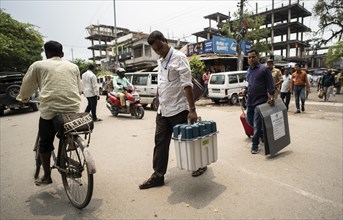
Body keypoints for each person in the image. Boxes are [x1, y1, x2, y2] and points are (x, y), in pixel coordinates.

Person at [139, 30, 207, 190]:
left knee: (188, 141)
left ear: (165, 41)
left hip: (179, 109)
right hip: (163, 110)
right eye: (155, 50)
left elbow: (187, 85)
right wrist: (157, 98)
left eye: (160, 47)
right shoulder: (160, 60)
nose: (159, 52)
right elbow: (162, 82)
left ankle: (200, 164)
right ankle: (158, 175)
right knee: (160, 143)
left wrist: (192, 109)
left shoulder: (179, 58)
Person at [16, 40, 82, 185]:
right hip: (72, 109)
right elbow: (80, 88)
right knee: (66, 131)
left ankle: (47, 176)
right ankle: (71, 142)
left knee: (45, 143)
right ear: (62, 54)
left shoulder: (38, 65)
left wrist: (23, 98)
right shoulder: (73, 66)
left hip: (50, 110)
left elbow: (27, 85)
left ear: (46, 54)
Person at [240, 49, 275, 154]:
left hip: (261, 101)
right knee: (249, 121)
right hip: (250, 101)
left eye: (253, 57)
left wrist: (272, 96)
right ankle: (262, 134)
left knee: (256, 123)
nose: (251, 59)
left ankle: (255, 145)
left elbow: (270, 84)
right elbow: (249, 84)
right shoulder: (249, 70)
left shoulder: (264, 69)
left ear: (257, 57)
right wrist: (244, 90)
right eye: (249, 57)